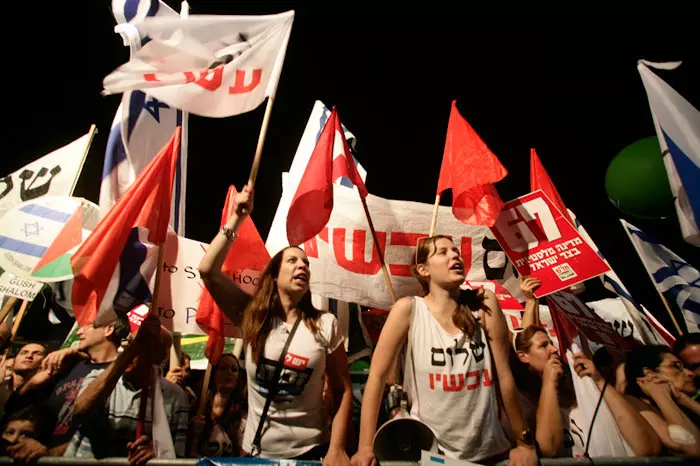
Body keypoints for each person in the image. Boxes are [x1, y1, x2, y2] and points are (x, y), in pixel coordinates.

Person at [199, 185, 353, 464]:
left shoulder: (325, 324)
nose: (302, 266)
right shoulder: (252, 317)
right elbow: (208, 270)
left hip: (311, 453)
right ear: (274, 274)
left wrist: (337, 448)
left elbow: (343, 390)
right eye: (292, 260)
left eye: (306, 263)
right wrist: (237, 217)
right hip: (258, 454)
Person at [352, 235, 537, 466]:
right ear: (423, 269)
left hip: (491, 454)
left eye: (455, 251)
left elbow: (504, 377)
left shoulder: (484, 304)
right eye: (443, 252)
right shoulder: (408, 310)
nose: (454, 256)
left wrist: (525, 442)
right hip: (431, 457)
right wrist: (365, 446)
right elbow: (377, 378)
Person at [514, 326, 661, 457]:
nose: (554, 349)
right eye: (543, 346)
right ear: (523, 356)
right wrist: (549, 382)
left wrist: (599, 381)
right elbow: (549, 449)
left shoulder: (587, 392)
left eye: (552, 343)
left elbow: (648, 447)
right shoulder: (527, 404)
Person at [3, 312, 131, 459]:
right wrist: (35, 382)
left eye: (88, 326)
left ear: (108, 330)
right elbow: (12, 409)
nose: (79, 331)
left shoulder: (120, 375)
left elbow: (114, 433)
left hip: (81, 459)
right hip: (38, 458)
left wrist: (54, 453)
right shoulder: (68, 365)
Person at [64, 315, 189, 463]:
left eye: (144, 348)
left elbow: (178, 454)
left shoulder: (175, 397)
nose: (132, 352)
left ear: (160, 356)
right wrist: (132, 351)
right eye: (129, 344)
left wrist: (158, 452)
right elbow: (81, 410)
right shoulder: (99, 377)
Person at [624, 345, 700, 456]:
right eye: (676, 366)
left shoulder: (682, 402)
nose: (690, 373)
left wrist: (683, 399)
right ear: (649, 373)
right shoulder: (638, 406)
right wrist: (660, 394)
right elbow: (693, 447)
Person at [188, 353, 247, 457]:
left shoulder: (243, 417)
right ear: (212, 373)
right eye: (223, 368)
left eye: (234, 370)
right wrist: (191, 432)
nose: (229, 372)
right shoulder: (197, 410)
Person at [0, 343, 46, 418]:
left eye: (37, 354)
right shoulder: (2, 383)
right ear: (14, 361)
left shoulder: (44, 394)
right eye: (24, 353)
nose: (29, 356)